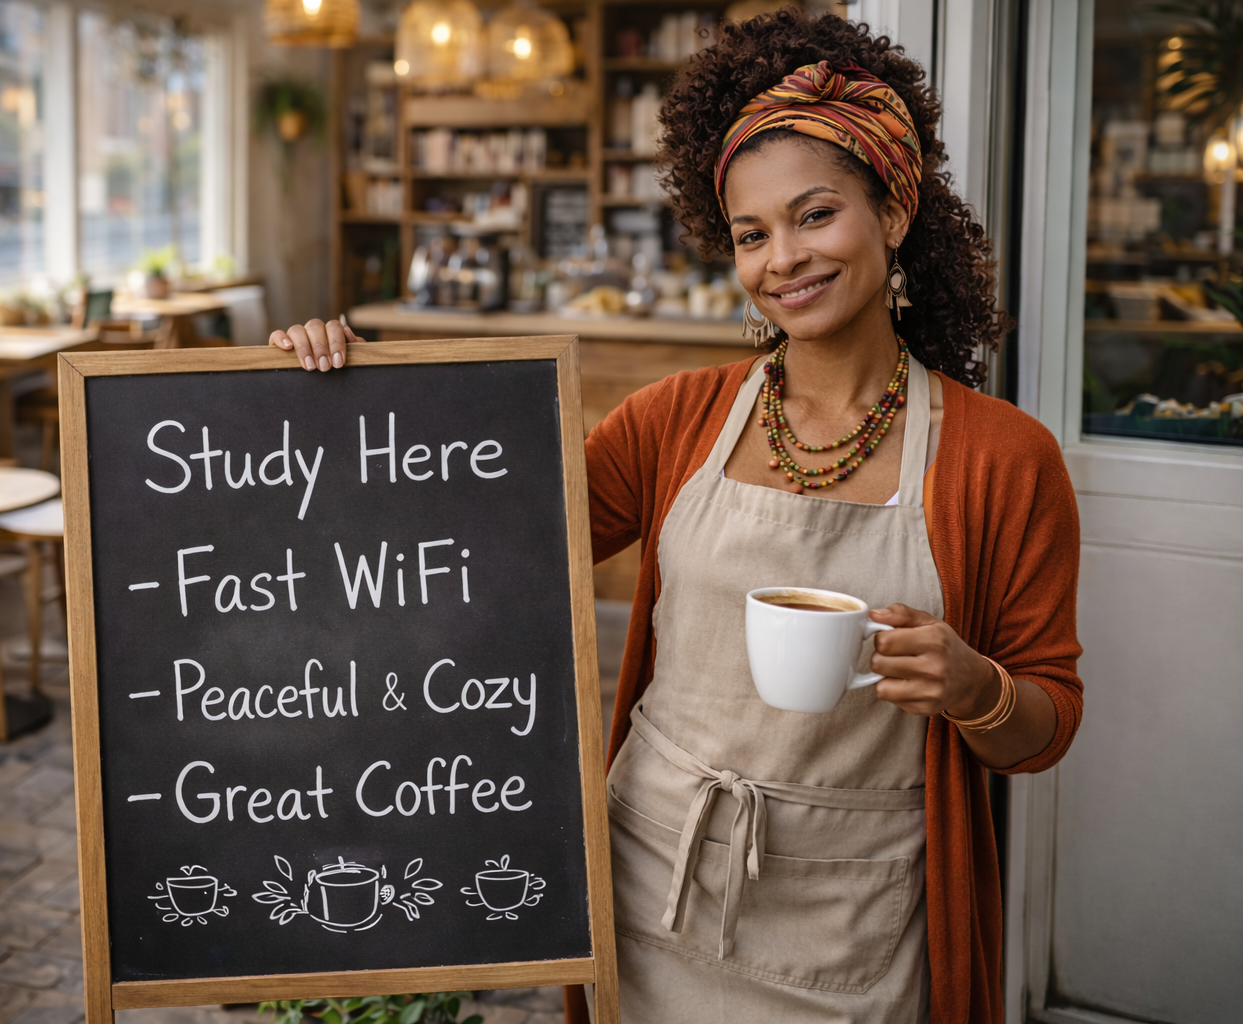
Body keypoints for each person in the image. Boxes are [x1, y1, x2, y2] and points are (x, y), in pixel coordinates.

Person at [269, 11, 1082, 1022]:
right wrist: (336, 398)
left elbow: (1044, 725)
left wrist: (975, 686)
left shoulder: (1006, 459)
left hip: (858, 921)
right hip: (647, 885)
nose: (782, 257)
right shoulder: (675, 418)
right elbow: (480, 527)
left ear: (894, 210)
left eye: (815, 214)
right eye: (751, 234)